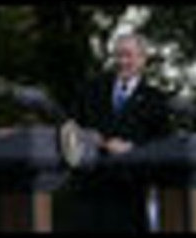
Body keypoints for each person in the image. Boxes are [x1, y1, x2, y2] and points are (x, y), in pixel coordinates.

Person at [69, 33, 171, 232]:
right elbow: (71, 128)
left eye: (129, 56)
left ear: (143, 59)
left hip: (130, 196)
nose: (123, 62)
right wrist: (93, 140)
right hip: (91, 194)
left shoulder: (156, 100)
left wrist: (134, 150)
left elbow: (162, 146)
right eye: (118, 56)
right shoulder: (91, 90)